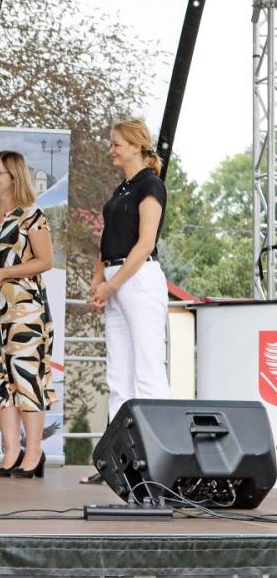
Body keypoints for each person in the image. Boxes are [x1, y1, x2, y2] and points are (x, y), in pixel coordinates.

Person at [0, 151, 56, 480]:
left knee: (26, 376)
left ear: (14, 177)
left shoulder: (32, 216)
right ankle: (10, 452)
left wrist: (4, 273)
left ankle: (34, 452)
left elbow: (45, 260)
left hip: (25, 309)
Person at [89, 119, 169, 420]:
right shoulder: (121, 189)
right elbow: (108, 238)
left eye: (116, 144)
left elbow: (146, 243)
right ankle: (119, 446)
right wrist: (98, 278)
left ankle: (158, 443)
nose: (111, 150)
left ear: (136, 146)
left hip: (139, 279)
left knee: (147, 369)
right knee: (118, 374)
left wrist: (111, 285)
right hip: (115, 279)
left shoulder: (151, 185)